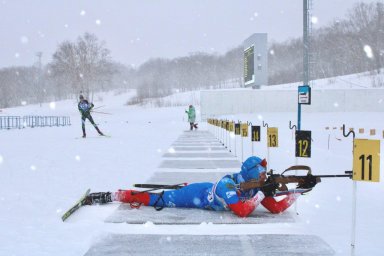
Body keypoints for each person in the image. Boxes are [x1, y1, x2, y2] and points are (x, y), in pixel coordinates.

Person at [84, 156, 300, 217]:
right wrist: (262, 193)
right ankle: (113, 195)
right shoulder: (229, 185)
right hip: (194, 194)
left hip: (207, 190)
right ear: (252, 173)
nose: (264, 175)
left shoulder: (256, 187)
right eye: (261, 173)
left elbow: (276, 209)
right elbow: (242, 211)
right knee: (158, 198)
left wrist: (297, 191)